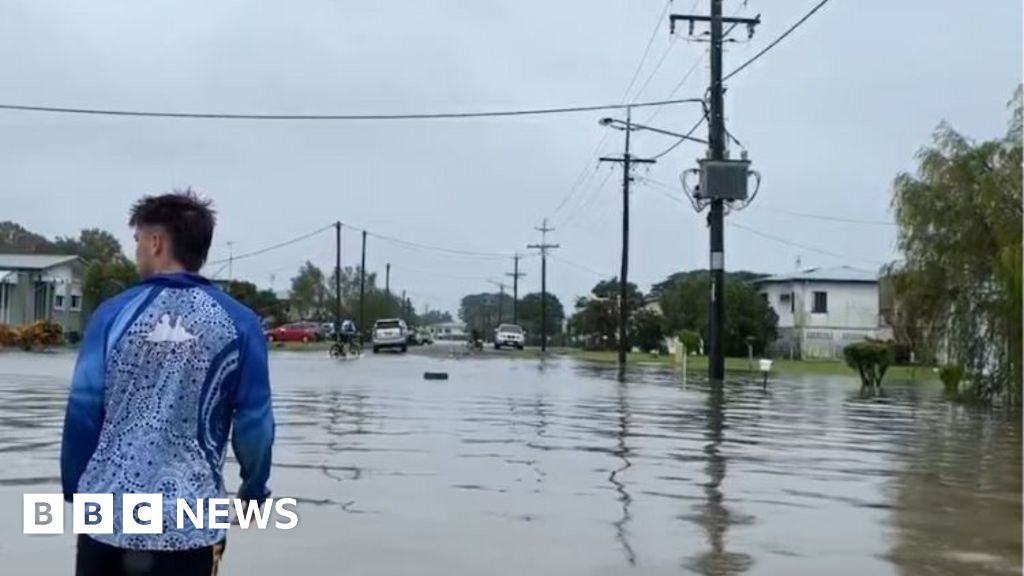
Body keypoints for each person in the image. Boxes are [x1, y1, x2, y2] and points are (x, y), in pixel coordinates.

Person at [60, 190, 275, 576]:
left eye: (139, 241)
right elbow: (255, 423)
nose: (138, 251)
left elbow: (82, 413)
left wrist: (77, 492)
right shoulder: (239, 323)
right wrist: (253, 493)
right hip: (189, 525)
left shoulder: (111, 316)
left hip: (107, 519)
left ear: (156, 242)